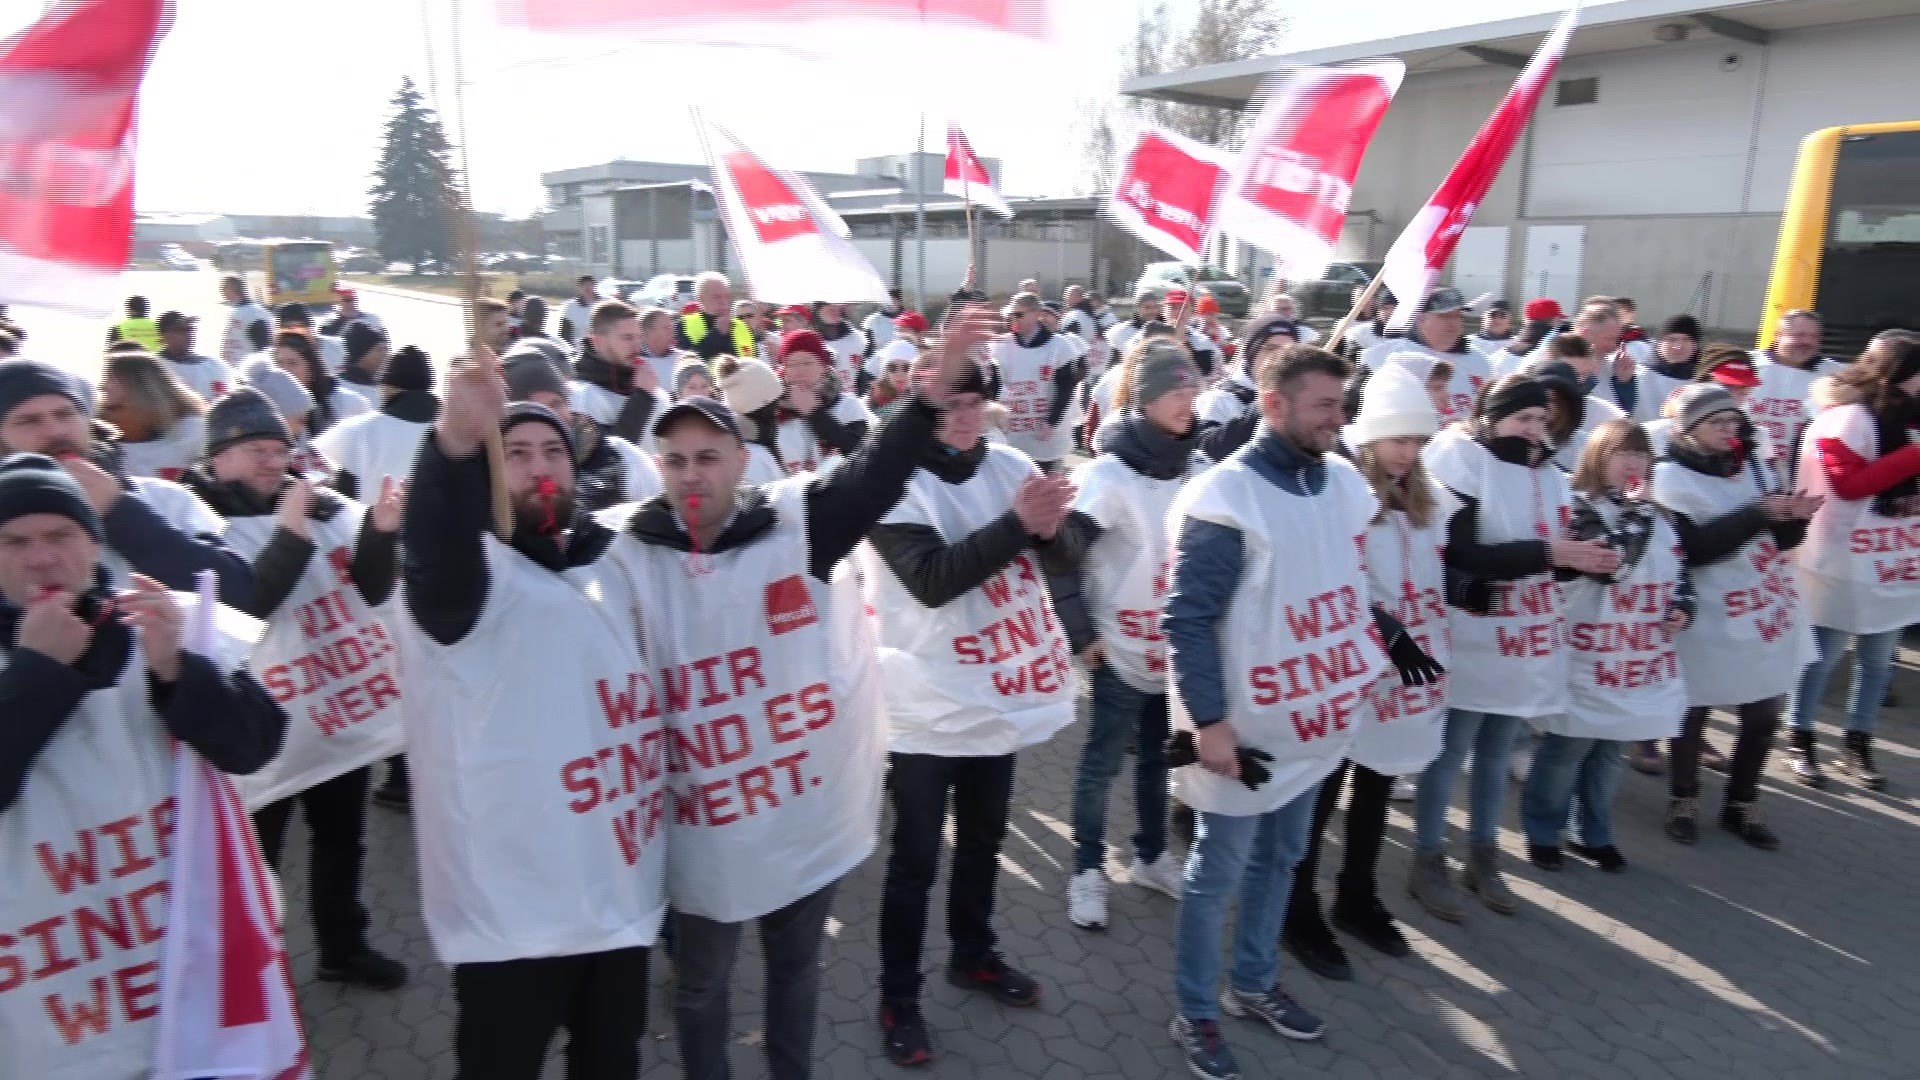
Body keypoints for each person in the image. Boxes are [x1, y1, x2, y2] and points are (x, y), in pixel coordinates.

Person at [597, 303, 989, 1080]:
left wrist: (923, 402)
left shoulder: (791, 527)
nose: (692, 474)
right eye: (675, 461)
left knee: (795, 970)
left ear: (741, 462)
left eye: (708, 457)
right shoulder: (627, 547)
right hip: (703, 823)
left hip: (794, 814)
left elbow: (869, 481)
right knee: (702, 984)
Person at [1162, 346, 1439, 1080]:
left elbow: (1341, 584)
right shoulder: (1227, 498)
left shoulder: (1344, 481)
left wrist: (1387, 632)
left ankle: (1252, 982)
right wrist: (1208, 723)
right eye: (1323, 405)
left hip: (1315, 724)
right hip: (1244, 733)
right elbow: (1187, 619)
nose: (1339, 419)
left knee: (1285, 858)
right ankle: (1195, 1011)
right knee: (1216, 873)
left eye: (1341, 405)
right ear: (1273, 404)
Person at [396, 343, 667, 1080]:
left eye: (553, 451)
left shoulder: (606, 559)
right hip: (514, 914)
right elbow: (435, 545)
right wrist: (455, 441)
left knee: (610, 1059)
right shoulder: (468, 581)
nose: (539, 465)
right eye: (513, 453)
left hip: (614, 895)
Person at [0, 452, 291, 1080]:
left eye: (60, 535)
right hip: (50, 984)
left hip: (189, 952)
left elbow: (255, 745)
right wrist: (37, 672)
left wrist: (180, 669)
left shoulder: (157, 620)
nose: (41, 558)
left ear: (93, 540)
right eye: (13, 542)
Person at [861, 348, 1082, 1066]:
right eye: (948, 404)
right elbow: (930, 579)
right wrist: (1020, 525)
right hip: (924, 704)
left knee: (985, 838)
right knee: (916, 859)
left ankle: (973, 953)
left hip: (996, 693)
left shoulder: (1011, 464)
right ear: (920, 406)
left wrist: (1050, 530)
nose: (963, 417)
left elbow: (1065, 557)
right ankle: (899, 997)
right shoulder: (890, 482)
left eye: (973, 402)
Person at [183, 388, 410, 991]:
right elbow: (244, 611)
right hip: (259, 726)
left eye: (279, 449)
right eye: (254, 449)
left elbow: (369, 591)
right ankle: (253, 971)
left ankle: (343, 944)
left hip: (331, 708)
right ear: (217, 457)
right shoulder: (194, 522)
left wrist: (382, 533)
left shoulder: (323, 508)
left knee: (342, 839)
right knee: (258, 857)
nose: (271, 461)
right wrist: (288, 535)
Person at [1412, 373, 1619, 920]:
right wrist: (1551, 555)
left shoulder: (1547, 473)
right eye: (1522, 418)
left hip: (1527, 636)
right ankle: (1428, 855)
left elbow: (1562, 541)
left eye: (1541, 421)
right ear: (1490, 416)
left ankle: (1483, 856)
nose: (1533, 429)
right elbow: (1459, 554)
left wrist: (1587, 558)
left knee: (1498, 750)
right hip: (1471, 631)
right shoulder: (1457, 458)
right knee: (1451, 749)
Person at [1282, 363, 1456, 981]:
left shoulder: (1427, 499)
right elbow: (1334, 579)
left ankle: (1356, 894)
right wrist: (1386, 631)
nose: (1408, 452)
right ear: (1370, 437)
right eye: (1398, 440)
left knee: (1378, 785)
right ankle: (1295, 904)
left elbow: (1436, 569)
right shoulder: (1340, 493)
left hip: (1408, 671)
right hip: (1350, 666)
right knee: (1323, 790)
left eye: (1418, 441)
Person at [1048, 341, 1205, 933]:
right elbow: (1059, 559)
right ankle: (1087, 869)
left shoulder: (1200, 467)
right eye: (1174, 391)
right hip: (1118, 651)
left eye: (1192, 390)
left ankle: (1151, 857)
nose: (1188, 401)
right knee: (1102, 766)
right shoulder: (1106, 477)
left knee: (1157, 763)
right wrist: (1082, 636)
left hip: (1178, 654)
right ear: (1144, 399)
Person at [1652, 383, 1820, 849]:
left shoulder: (1753, 467)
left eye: (1734, 421)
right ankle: (1684, 799)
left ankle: (1741, 803)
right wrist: (1757, 514)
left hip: (1764, 604)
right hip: (1707, 610)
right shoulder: (1668, 477)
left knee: (1764, 711)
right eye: (1717, 422)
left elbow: (1779, 542)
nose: (1730, 430)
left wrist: (1796, 518)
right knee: (1694, 709)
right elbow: (1692, 550)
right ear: (1688, 429)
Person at [1521, 421, 1691, 873]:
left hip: (1637, 655)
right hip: (1585, 652)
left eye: (1642, 455)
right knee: (1568, 747)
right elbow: (1614, 566)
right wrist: (1636, 510)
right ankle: (1543, 831)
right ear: (1599, 457)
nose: (1634, 464)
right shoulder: (1577, 507)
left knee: (1611, 748)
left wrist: (1683, 607)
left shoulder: (1662, 515)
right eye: (1623, 454)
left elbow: (1680, 571)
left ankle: (1593, 831)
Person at [0, 358, 253, 605]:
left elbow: (237, 594)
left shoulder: (163, 498)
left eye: (64, 414)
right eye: (28, 421)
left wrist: (120, 511)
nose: (56, 431)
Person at [1784, 334, 1920, 791]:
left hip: (1894, 557)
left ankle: (1857, 744)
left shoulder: (1908, 416)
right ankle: (1799, 736)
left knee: (1878, 660)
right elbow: (1848, 485)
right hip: (1843, 557)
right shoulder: (1844, 418)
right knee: (1824, 655)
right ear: (1901, 373)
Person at [501, 343, 662, 513]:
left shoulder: (622, 457)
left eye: (556, 404)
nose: (549, 416)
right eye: (534, 409)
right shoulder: (494, 476)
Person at [316, 345, 439, 499]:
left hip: (368, 512)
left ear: (387, 386)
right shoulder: (454, 435)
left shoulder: (358, 429)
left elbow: (341, 494)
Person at [1359, 287, 1487, 430]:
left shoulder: (1479, 359)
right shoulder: (1385, 356)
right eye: (1445, 316)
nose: (1453, 322)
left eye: (1458, 316)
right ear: (1421, 319)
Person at [990, 291, 1083, 473]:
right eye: (1011, 314)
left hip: (1043, 427)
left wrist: (1051, 422)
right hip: (1012, 425)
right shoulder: (1001, 344)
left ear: (1036, 314)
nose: (1013, 319)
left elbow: (1065, 388)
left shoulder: (1058, 346)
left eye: (1019, 314)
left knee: (1043, 476)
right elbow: (993, 385)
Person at [772, 330, 875, 476]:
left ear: (823, 365)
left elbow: (861, 455)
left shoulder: (848, 405)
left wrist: (815, 413)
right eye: (792, 364)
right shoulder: (773, 409)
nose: (800, 370)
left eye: (807, 363)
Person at [573, 300, 670, 453]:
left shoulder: (653, 391)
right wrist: (642, 397)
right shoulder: (583, 396)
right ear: (598, 341)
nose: (637, 346)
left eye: (639, 337)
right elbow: (606, 458)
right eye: (627, 338)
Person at [99, 351, 208, 482]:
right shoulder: (97, 437)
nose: (103, 386)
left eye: (111, 378)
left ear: (139, 384)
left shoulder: (194, 432)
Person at [1749, 309, 1840, 463]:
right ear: (1778, 335)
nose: (1807, 342)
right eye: (1799, 335)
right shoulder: (1747, 364)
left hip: (1802, 466)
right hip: (1748, 464)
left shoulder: (1835, 374)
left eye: (1814, 337)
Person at [1577, 297, 1682, 424]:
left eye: (1617, 339)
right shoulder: (1563, 361)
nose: (1614, 346)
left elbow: (1624, 412)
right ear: (1586, 334)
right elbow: (1570, 406)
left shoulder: (1611, 365)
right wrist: (1589, 378)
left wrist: (1624, 382)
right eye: (1609, 339)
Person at [262, 329, 371, 439]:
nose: (284, 370)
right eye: (279, 363)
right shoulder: (268, 406)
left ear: (311, 367)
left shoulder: (348, 403)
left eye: (293, 363)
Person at [716, 355, 790, 486]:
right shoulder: (751, 456)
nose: (777, 410)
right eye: (773, 404)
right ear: (758, 408)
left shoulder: (757, 440)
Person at [154, 309, 236, 403]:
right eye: (180, 330)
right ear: (164, 336)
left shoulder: (215, 365)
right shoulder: (154, 368)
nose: (188, 334)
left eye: (190, 329)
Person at [678, 272, 758, 361]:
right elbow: (687, 361)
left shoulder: (742, 326)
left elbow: (753, 362)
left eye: (726, 296)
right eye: (717, 297)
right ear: (701, 299)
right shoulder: (684, 325)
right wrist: (717, 334)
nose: (723, 301)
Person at [334, 322, 391, 411]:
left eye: (386, 349)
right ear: (360, 354)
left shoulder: (386, 388)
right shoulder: (339, 391)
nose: (386, 355)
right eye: (380, 350)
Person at [221, 273, 274, 365]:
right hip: (233, 368)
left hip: (250, 369)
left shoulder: (254, 312)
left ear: (231, 288)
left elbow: (264, 345)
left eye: (224, 287)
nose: (222, 291)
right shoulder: (234, 311)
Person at [865, 339, 918, 423]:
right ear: (885, 371)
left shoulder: (925, 397)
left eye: (907, 368)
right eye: (892, 368)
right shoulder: (871, 399)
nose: (899, 374)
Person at [635, 306, 683, 390]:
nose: (673, 332)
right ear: (646, 332)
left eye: (672, 327)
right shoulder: (634, 367)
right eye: (666, 328)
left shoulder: (684, 358)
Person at [1652, 313, 1702, 381]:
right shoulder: (1641, 377)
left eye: (1686, 340)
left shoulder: (1709, 380)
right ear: (1659, 344)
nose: (1678, 347)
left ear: (1696, 345)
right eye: (1671, 340)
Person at [557, 274, 600, 348]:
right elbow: (564, 332)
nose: (587, 288)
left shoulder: (605, 304)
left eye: (590, 285)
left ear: (595, 286)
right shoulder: (570, 306)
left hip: (601, 348)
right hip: (578, 348)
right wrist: (566, 349)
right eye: (584, 285)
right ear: (579, 287)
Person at [864, 287, 904, 357]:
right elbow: (868, 345)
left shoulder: (907, 320)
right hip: (879, 358)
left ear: (899, 302)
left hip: (901, 358)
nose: (890, 305)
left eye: (894, 302)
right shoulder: (873, 320)